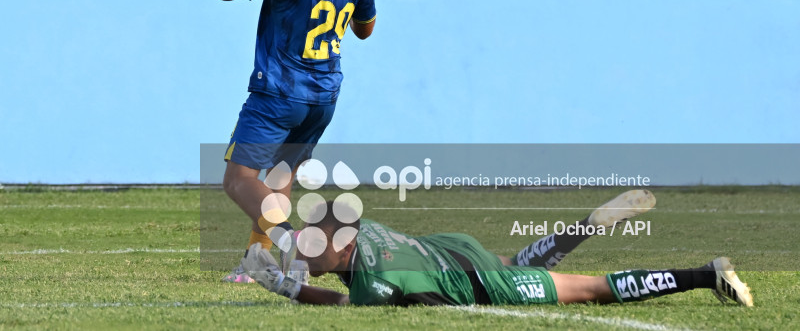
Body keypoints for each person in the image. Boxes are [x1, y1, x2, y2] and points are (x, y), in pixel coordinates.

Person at [185, 0, 376, 282]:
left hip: (279, 92)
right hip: (322, 96)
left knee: (239, 181)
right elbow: (365, 29)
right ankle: (259, 263)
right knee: (278, 179)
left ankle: (300, 252)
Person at [239, 190, 753, 307]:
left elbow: (346, 302)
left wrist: (288, 287)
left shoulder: (375, 284)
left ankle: (706, 274)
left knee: (590, 290)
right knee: (514, 260)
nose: (304, 253)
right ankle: (587, 225)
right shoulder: (362, 226)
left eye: (310, 245)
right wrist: (286, 249)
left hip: (477, 279)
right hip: (452, 250)